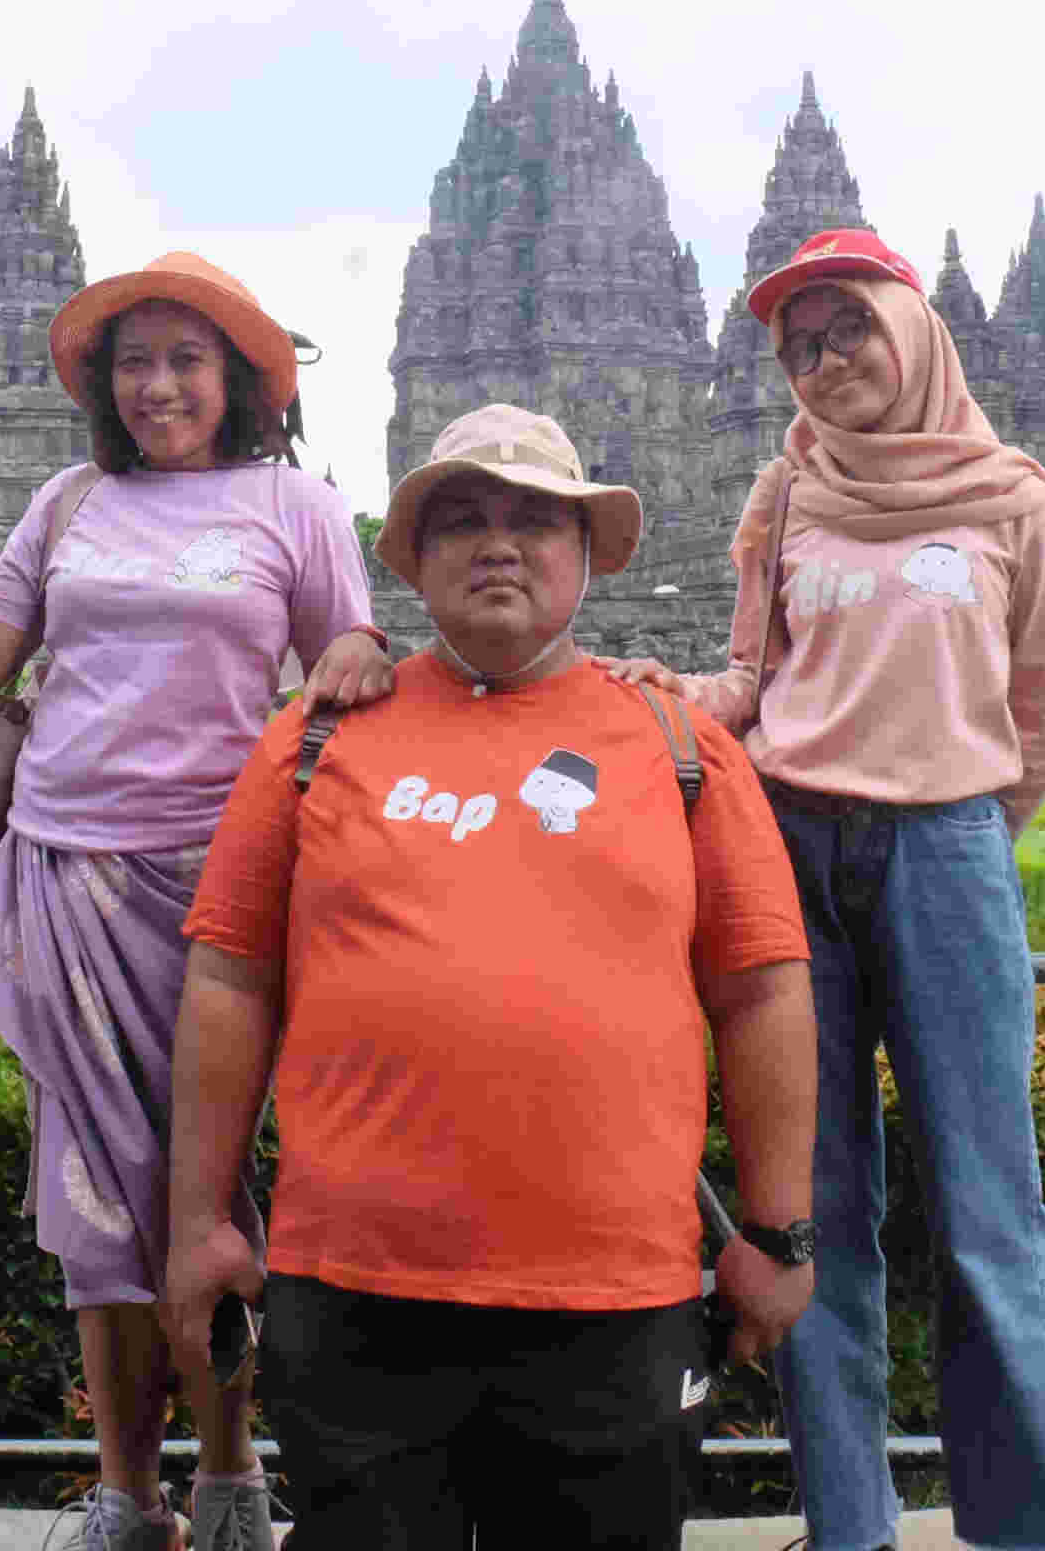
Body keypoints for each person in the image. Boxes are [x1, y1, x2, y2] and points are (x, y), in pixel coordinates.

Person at [162, 405, 818, 1551]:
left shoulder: (680, 746)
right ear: (415, 560)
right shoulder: (317, 737)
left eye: (536, 522)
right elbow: (229, 982)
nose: (499, 545)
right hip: (353, 1291)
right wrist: (198, 1220)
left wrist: (779, 1233)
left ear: (587, 555)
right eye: (462, 520)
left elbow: (762, 992)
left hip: (618, 1298)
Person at [607, 227, 1045, 1551]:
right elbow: (758, 678)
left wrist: (957, 823)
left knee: (991, 1210)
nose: (826, 363)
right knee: (811, 1210)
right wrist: (665, 697)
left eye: (849, 332)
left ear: (911, 335)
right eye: (801, 348)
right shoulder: (788, 495)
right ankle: (851, 1526)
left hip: (947, 854)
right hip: (790, 850)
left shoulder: (1013, 502)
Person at [0, 251, 395, 1551]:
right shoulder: (69, 503)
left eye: (185, 360)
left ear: (238, 379)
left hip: (223, 895)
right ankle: (127, 1492)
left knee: (207, 1194)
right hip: (65, 875)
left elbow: (347, 654)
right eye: (135, 364)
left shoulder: (295, 506)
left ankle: (229, 1473)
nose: (159, 386)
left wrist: (355, 647)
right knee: (94, 1206)